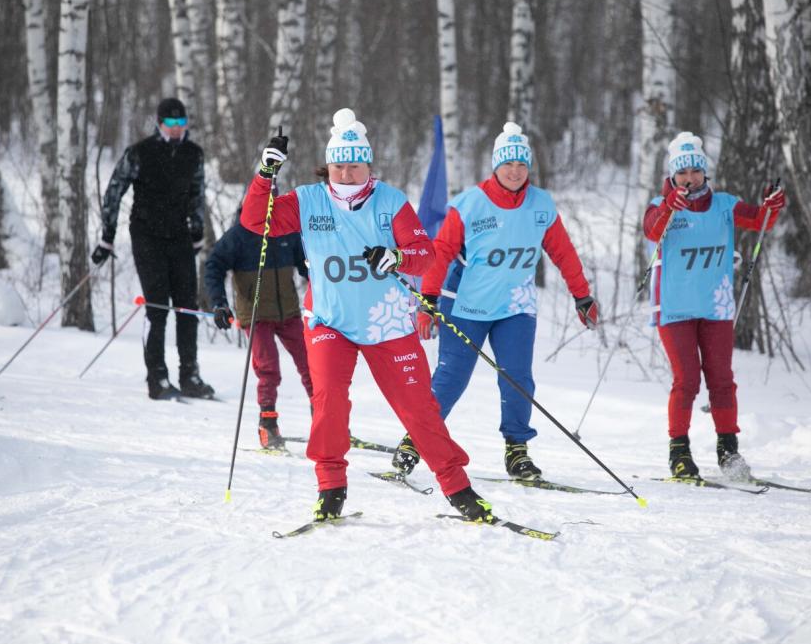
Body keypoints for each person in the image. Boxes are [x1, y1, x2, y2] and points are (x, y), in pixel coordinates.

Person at [240, 108, 494, 523]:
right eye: (338, 166)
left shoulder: (390, 201)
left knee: (418, 409)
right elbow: (255, 220)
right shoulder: (308, 199)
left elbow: (424, 256)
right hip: (330, 320)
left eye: (354, 166)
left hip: (387, 321)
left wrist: (394, 257)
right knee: (329, 403)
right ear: (328, 166)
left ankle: (458, 488)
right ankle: (330, 487)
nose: (345, 174)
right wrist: (265, 174)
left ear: (368, 165)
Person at [391, 122, 599, 481]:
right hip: (466, 304)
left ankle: (517, 450)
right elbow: (440, 254)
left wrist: (582, 296)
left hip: (515, 306)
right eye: (508, 165)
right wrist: (428, 301)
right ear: (495, 166)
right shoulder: (469, 204)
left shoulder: (541, 205)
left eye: (521, 164)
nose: (515, 171)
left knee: (517, 378)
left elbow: (563, 253)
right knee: (451, 378)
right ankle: (417, 439)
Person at [643, 131, 785, 479]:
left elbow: (760, 221)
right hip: (674, 307)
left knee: (721, 379)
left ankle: (728, 452)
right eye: (681, 173)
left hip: (716, 305)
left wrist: (772, 206)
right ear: (672, 176)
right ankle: (679, 452)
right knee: (687, 380)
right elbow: (651, 230)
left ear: (704, 173)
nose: (689, 179)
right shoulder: (660, 206)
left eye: (695, 171)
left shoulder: (724, 204)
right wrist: (668, 206)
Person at [91, 97, 214, 401]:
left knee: (187, 307)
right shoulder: (140, 153)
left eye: (181, 123)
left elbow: (197, 194)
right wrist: (107, 235)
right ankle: (157, 377)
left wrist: (197, 231)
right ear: (159, 124)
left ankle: (190, 375)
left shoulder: (193, 154)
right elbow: (114, 191)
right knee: (157, 306)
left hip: (180, 236)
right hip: (147, 235)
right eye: (170, 123)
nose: (176, 129)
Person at [203, 214, 313, 448]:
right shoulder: (240, 234)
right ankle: (268, 424)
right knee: (268, 368)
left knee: (312, 365)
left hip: (289, 312)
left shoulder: (286, 229)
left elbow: (307, 263)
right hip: (256, 316)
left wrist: (322, 283)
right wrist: (219, 303)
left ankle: (325, 419)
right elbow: (214, 265)